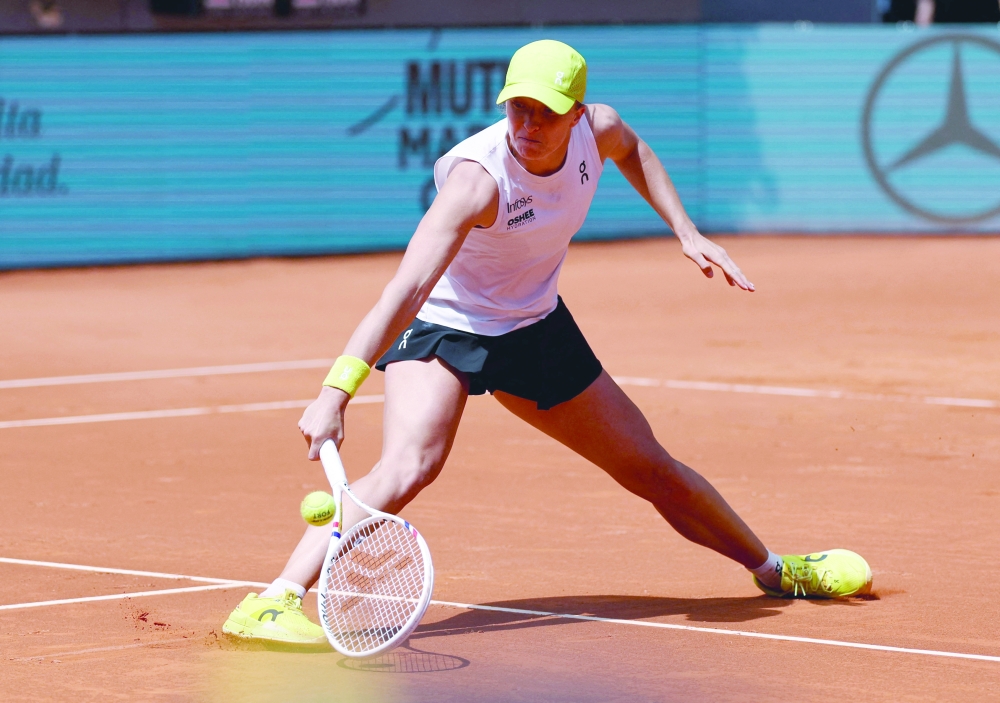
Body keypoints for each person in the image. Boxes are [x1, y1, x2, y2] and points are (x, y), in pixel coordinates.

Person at [222, 40, 872, 645]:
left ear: (577, 114)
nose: (528, 125)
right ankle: (274, 600)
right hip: (449, 325)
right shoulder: (477, 182)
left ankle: (775, 570)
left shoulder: (601, 129)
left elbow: (636, 152)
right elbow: (407, 288)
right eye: (519, 108)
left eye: (547, 113)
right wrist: (336, 390)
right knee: (410, 465)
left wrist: (686, 229)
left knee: (649, 467)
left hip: (534, 324)